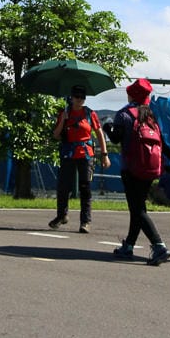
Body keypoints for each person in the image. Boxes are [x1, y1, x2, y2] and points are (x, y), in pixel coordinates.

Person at [108, 78, 170, 265]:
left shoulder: (124, 115)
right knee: (138, 208)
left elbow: (116, 139)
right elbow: (163, 145)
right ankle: (128, 246)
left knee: (137, 210)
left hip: (131, 169)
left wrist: (106, 126)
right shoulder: (150, 116)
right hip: (151, 170)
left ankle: (159, 246)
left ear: (131, 95)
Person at [49, 85, 110, 233]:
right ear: (71, 98)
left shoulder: (90, 114)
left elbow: (99, 133)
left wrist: (104, 154)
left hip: (85, 154)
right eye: (77, 97)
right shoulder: (65, 113)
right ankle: (61, 215)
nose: (80, 100)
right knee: (63, 187)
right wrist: (63, 120)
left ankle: (85, 222)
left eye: (82, 97)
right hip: (68, 153)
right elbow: (56, 135)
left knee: (85, 189)